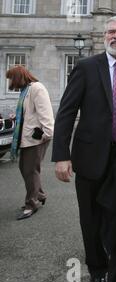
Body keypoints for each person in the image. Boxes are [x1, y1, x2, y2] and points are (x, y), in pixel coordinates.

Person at [52, 16, 116, 282]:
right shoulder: (87, 68)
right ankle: (97, 270)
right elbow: (66, 112)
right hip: (89, 159)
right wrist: (62, 154)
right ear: (104, 36)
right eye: (111, 31)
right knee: (91, 219)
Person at [6, 66, 54, 220]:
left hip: (36, 138)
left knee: (30, 171)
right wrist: (17, 115)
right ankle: (39, 195)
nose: (10, 82)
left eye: (11, 78)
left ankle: (31, 204)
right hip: (28, 137)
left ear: (18, 77)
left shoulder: (37, 89)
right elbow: (29, 111)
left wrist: (47, 134)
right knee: (27, 169)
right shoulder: (26, 90)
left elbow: (45, 112)